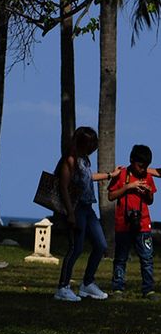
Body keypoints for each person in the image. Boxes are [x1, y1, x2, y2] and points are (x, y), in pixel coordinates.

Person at [54, 127, 120, 302]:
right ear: (83, 143)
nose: (94, 147)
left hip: (88, 208)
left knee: (101, 245)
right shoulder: (70, 160)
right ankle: (63, 287)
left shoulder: (84, 160)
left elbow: (87, 178)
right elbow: (63, 187)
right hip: (76, 209)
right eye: (91, 143)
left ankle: (88, 283)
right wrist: (70, 213)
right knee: (76, 248)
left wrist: (109, 175)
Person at [109, 145, 158, 300]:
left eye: (146, 167)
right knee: (121, 258)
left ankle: (148, 289)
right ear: (132, 160)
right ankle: (118, 288)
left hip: (143, 224)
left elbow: (150, 201)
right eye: (140, 166)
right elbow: (111, 196)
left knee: (147, 258)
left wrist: (147, 191)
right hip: (123, 224)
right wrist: (128, 187)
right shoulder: (121, 174)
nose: (143, 170)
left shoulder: (147, 177)